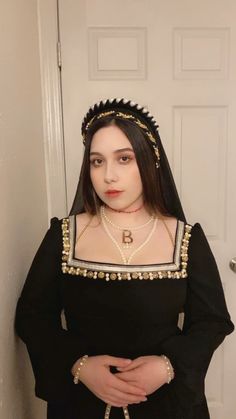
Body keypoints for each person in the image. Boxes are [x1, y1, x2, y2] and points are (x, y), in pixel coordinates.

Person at [15, 98, 234, 419]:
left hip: (166, 404)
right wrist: (79, 365)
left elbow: (212, 322)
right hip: (81, 403)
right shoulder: (63, 235)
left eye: (124, 159)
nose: (109, 176)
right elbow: (32, 316)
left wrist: (168, 366)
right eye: (97, 161)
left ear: (149, 161)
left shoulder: (186, 239)